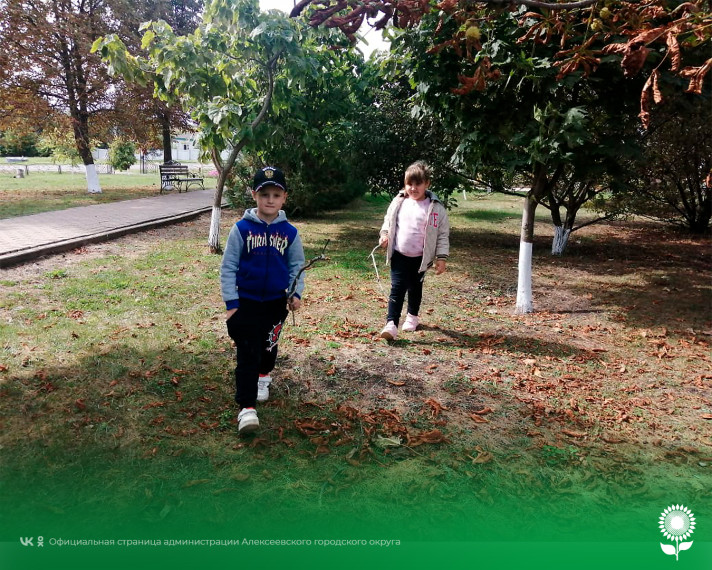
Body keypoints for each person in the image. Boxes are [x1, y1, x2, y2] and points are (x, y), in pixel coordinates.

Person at [220, 166, 305, 435]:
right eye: (264, 193)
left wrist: (295, 293)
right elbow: (228, 267)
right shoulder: (241, 229)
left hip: (275, 304)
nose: (270, 199)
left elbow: (296, 267)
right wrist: (232, 305)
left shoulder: (290, 233)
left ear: (284, 198)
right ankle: (246, 409)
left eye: (276, 194)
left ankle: (264, 376)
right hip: (245, 302)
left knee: (268, 349)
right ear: (254, 196)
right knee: (247, 353)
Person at [378, 161, 450, 341]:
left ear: (427, 184)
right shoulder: (399, 202)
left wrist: (441, 257)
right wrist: (384, 235)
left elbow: (442, 235)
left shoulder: (435, 208)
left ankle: (412, 316)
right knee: (397, 288)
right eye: (409, 183)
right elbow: (388, 221)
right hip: (399, 255)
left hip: (421, 258)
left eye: (418, 184)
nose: (413, 188)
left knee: (415, 288)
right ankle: (391, 324)